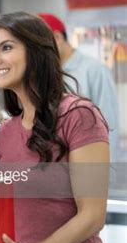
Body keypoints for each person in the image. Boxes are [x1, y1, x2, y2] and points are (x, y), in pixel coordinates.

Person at [0, 12, 111, 243]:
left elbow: (92, 216)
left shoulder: (79, 115)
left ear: (37, 51)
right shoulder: (4, 133)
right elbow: (7, 216)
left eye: (7, 47)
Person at [38, 13, 120, 161]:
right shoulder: (47, 75)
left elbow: (109, 125)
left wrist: (109, 176)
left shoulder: (94, 70)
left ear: (57, 38)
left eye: (40, 46)